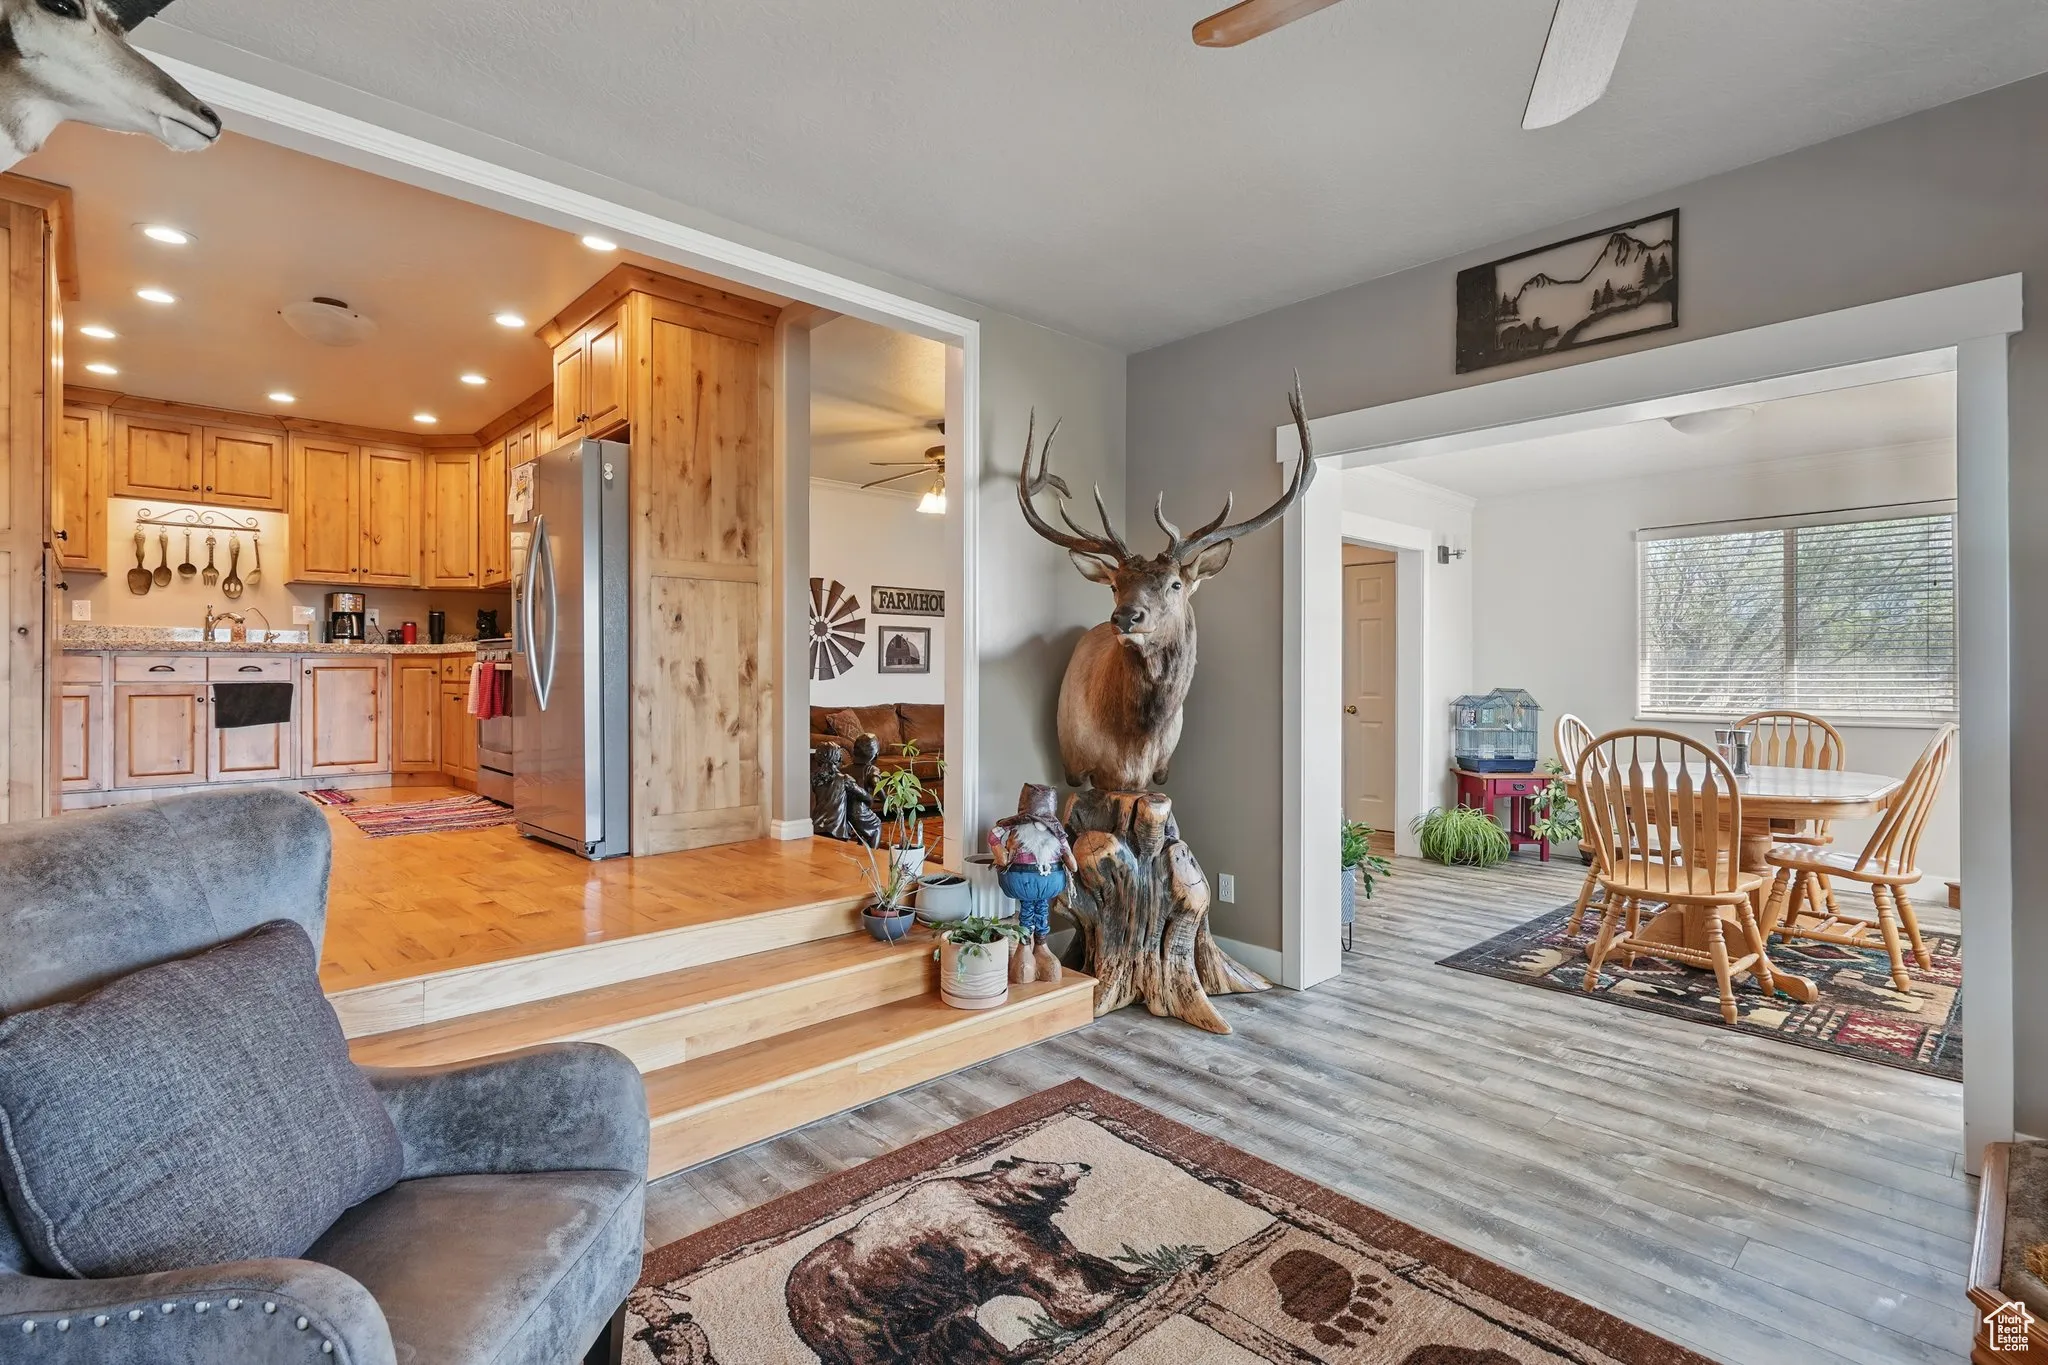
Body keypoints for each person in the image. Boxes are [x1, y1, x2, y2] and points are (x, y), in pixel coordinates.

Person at [987, 783, 1074, 983]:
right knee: (1028, 911)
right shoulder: (1017, 829)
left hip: (1047, 882)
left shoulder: (1055, 831)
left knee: (1041, 909)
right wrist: (999, 851)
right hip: (1022, 880)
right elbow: (994, 835)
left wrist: (1069, 857)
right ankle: (1025, 946)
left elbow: (1068, 855)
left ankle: (1041, 946)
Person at [811, 744, 881, 846]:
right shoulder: (845, 779)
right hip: (836, 829)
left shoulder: (814, 779)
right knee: (876, 826)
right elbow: (866, 797)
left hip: (817, 825)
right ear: (838, 759)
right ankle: (871, 855)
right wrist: (871, 800)